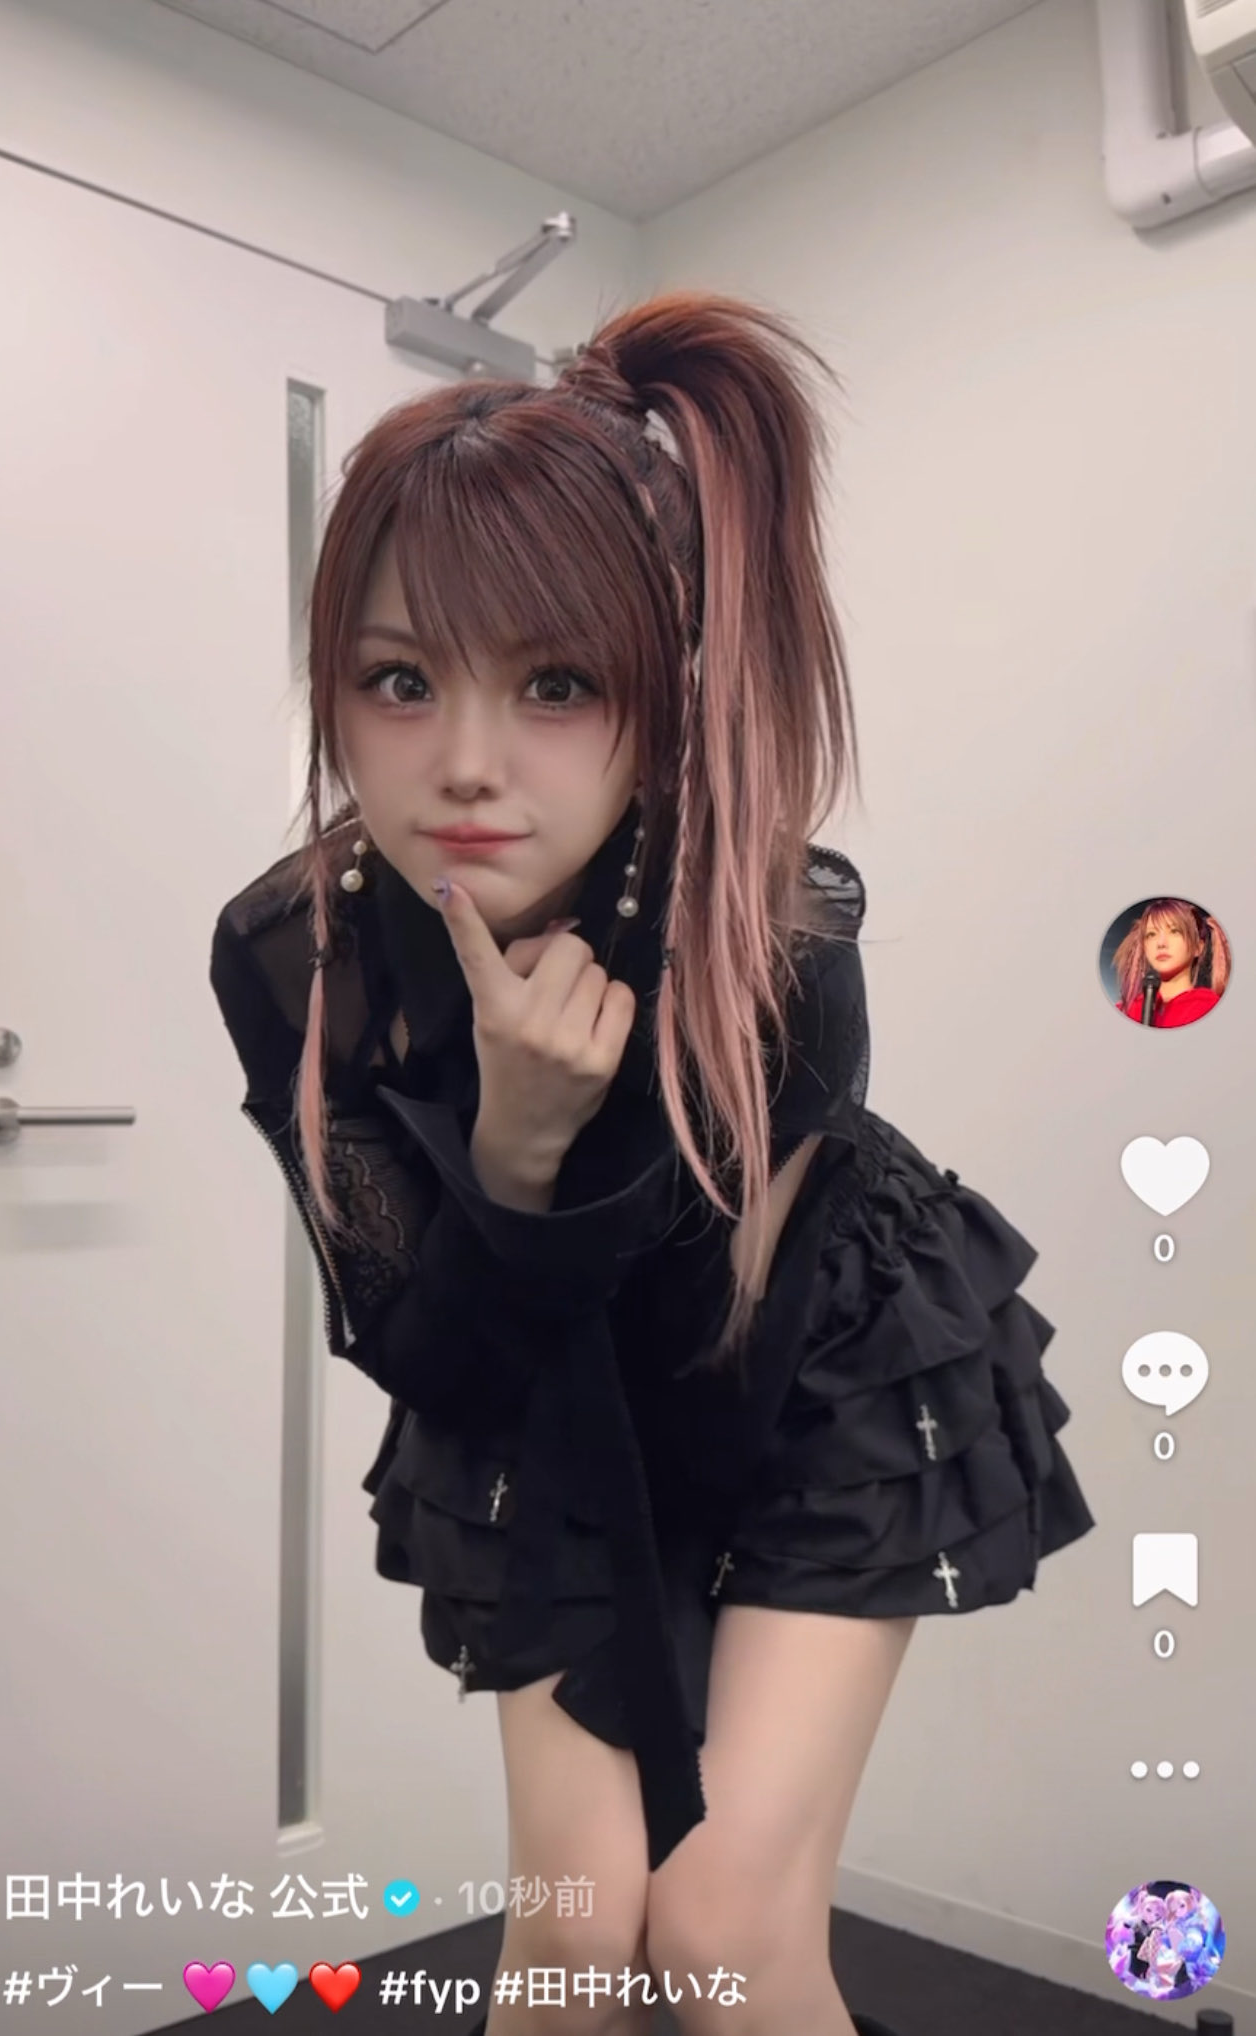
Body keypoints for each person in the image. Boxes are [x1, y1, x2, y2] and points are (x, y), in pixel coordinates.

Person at [210, 290, 1095, 2036]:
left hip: (812, 1363)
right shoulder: (297, 954)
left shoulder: (772, 937)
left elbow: (720, 1359)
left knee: (717, 1938)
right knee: (571, 1943)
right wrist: (515, 1145)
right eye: (398, 680)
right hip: (530, 1391)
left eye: (556, 683)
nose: (466, 764)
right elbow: (431, 1358)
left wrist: (677, 1719)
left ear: (657, 697)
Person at [1113, 899, 1230, 1027]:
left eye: (1174, 931)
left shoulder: (1209, 1009)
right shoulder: (1126, 1011)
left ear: (1198, 947)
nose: (1161, 943)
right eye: (1151, 934)